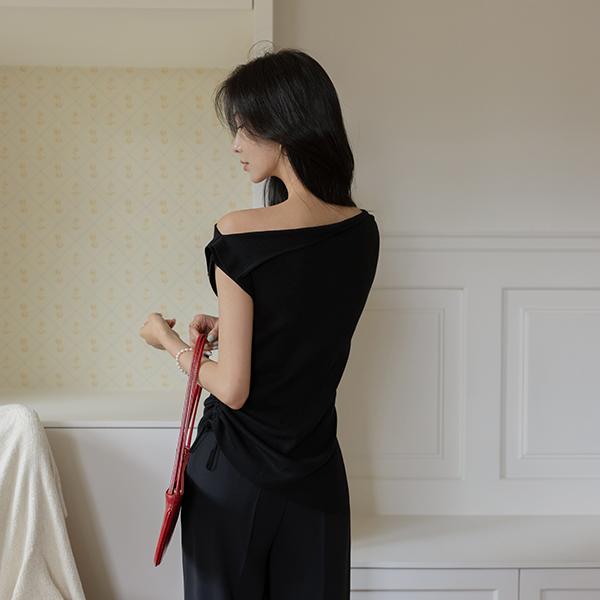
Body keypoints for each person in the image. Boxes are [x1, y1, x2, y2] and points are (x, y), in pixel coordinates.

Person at [139, 47, 380, 600]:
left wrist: (168, 341)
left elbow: (233, 389)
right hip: (317, 474)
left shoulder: (240, 232)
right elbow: (308, 323)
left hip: (234, 473)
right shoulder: (362, 231)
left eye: (244, 128)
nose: (236, 144)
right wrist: (229, 324)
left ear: (283, 126)